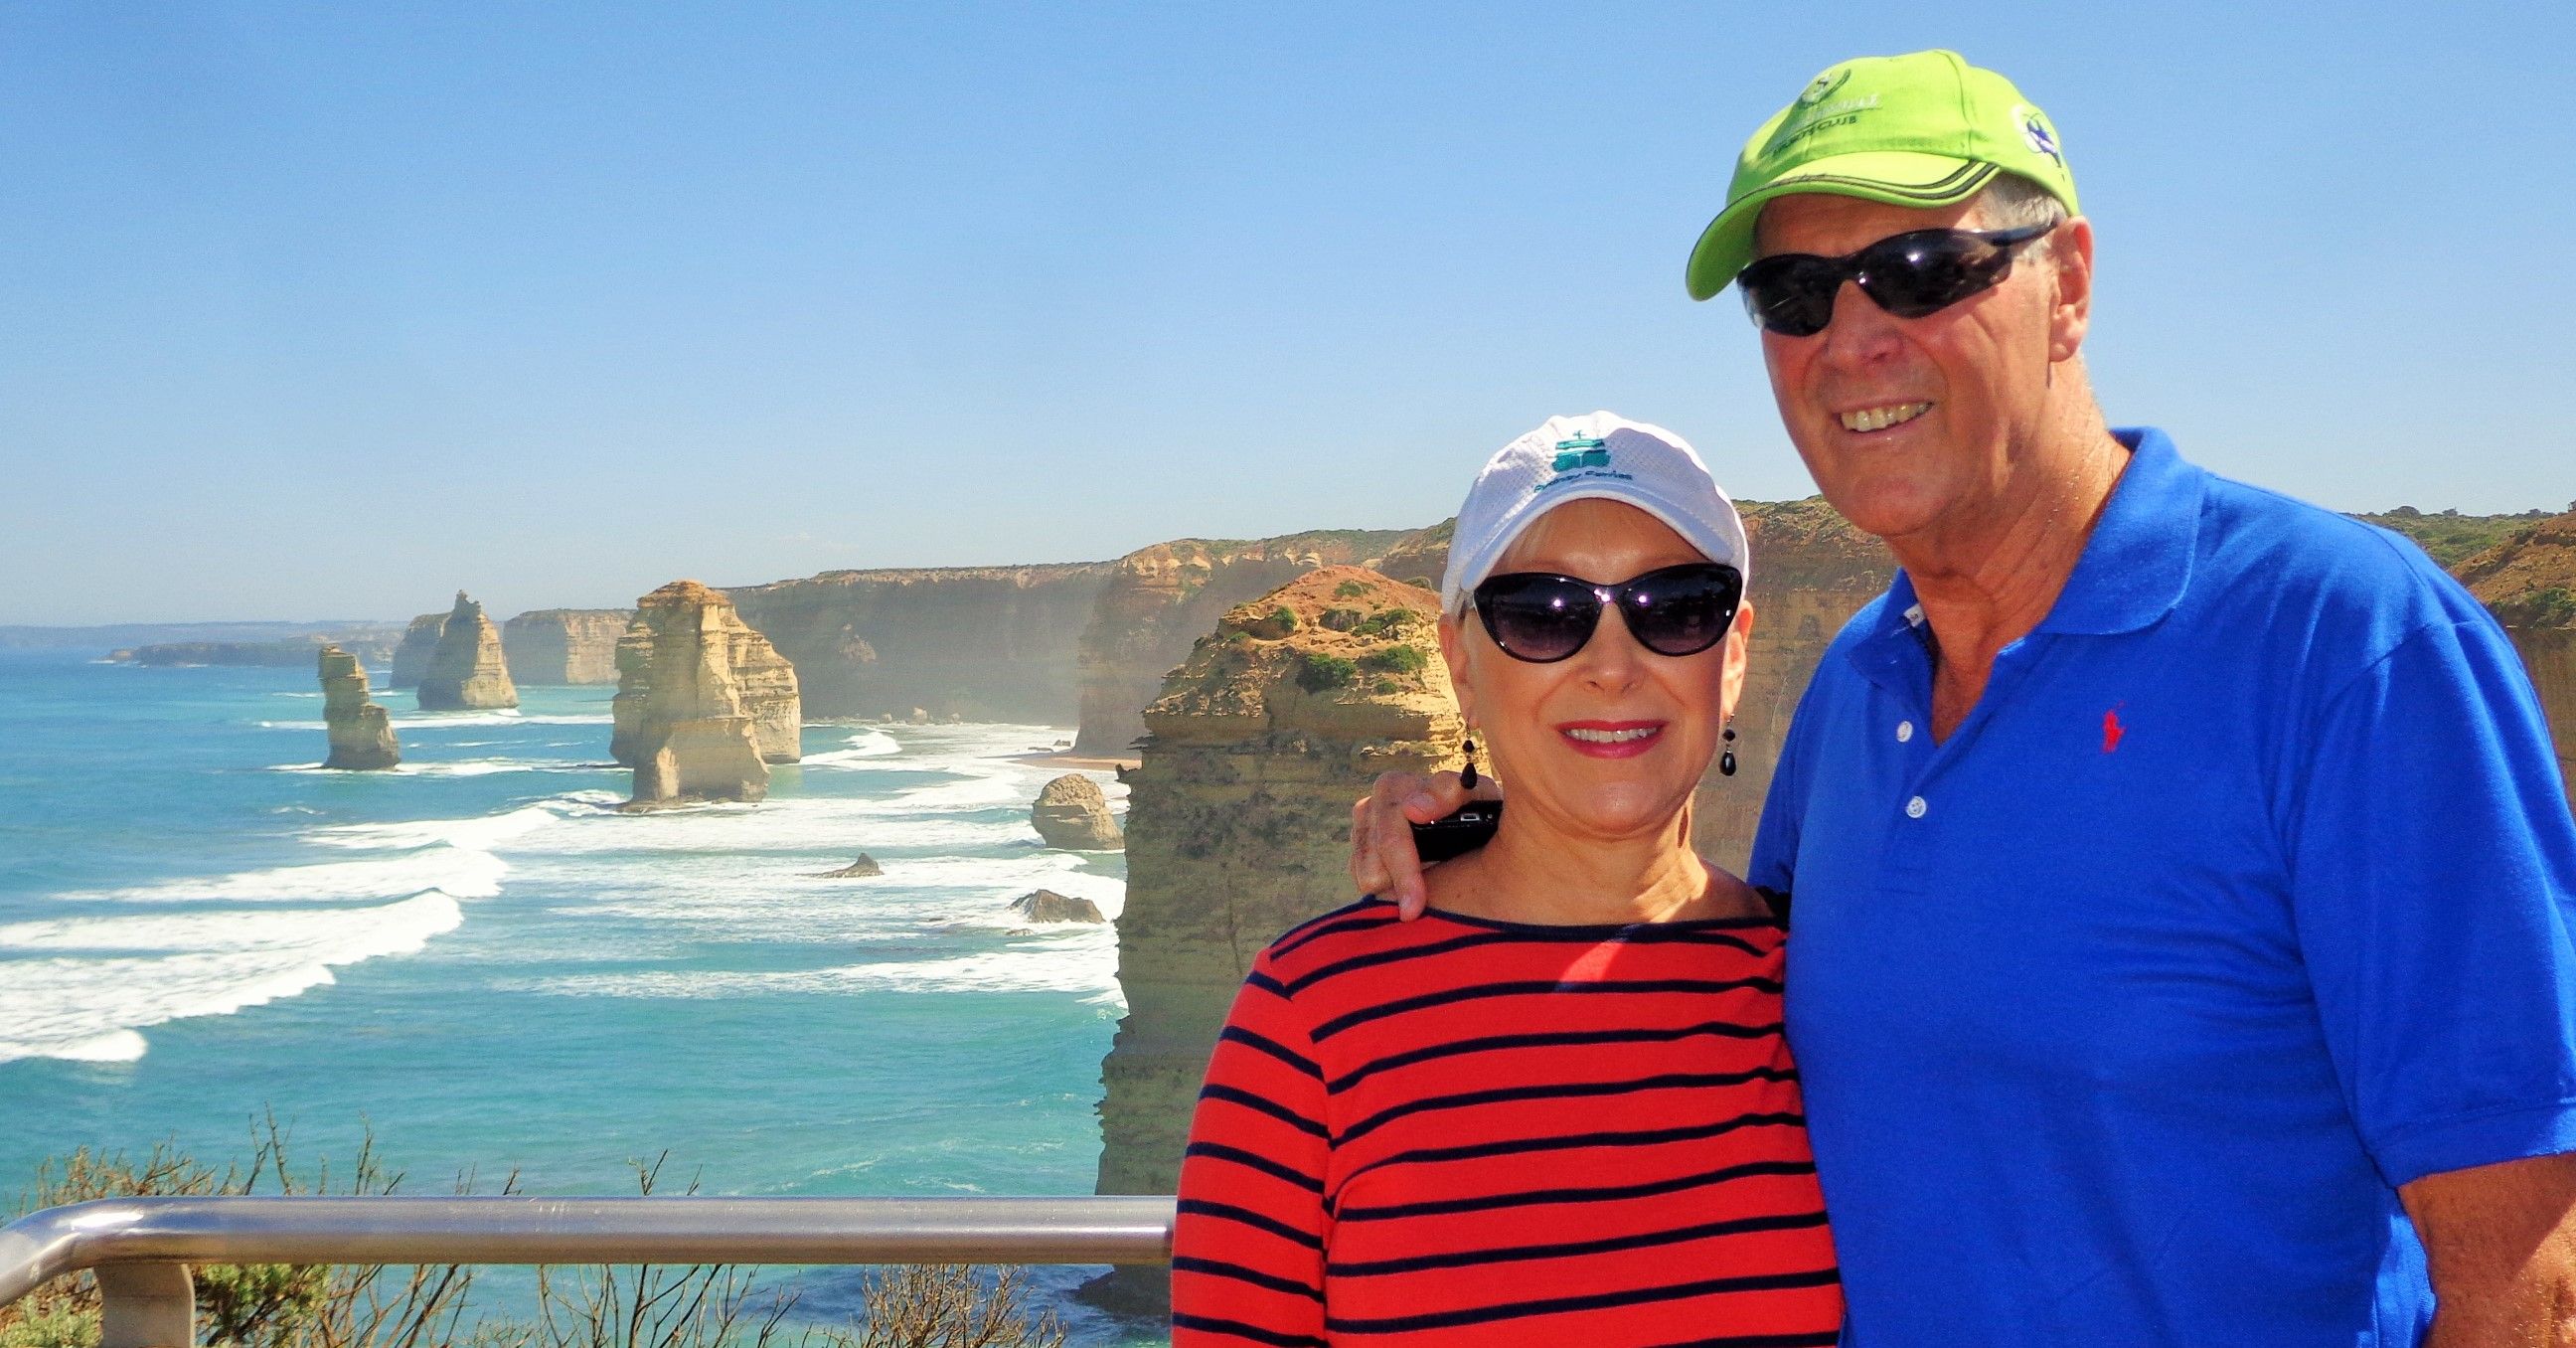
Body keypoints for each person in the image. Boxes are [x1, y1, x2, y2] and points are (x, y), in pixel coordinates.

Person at [1352, 50, 2576, 1347]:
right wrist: (1495, 833)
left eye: (1924, 270)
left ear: (2070, 287)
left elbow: (2527, 1276)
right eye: (1795, 293)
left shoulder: (2341, 642)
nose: (1852, 341)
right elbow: (1731, 981)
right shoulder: (1858, 685)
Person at [1172, 412, 1845, 1345]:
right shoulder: (1313, 1016)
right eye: (1541, 613)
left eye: (1676, 606)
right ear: (1460, 663)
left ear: (1732, 657)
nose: (1612, 666)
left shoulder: (1826, 992)